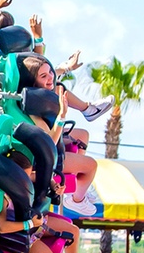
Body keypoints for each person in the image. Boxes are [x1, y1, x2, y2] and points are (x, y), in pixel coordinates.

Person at [21, 57, 100, 217]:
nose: (50, 77)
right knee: (91, 166)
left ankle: (74, 186)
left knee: (82, 135)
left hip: (54, 140)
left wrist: (67, 67)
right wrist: (61, 116)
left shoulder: (42, 92)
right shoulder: (32, 108)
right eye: (44, 76)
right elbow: (49, 143)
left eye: (49, 72)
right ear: (33, 81)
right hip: (44, 158)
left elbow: (54, 75)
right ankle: (77, 200)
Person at [7, 151, 93, 253]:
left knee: (73, 231)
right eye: (25, 176)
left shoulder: (25, 177)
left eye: (29, 175)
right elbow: (1, 226)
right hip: (21, 235)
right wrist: (29, 224)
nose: (28, 178)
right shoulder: (3, 194)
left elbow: (43, 177)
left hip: (36, 222)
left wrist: (54, 186)